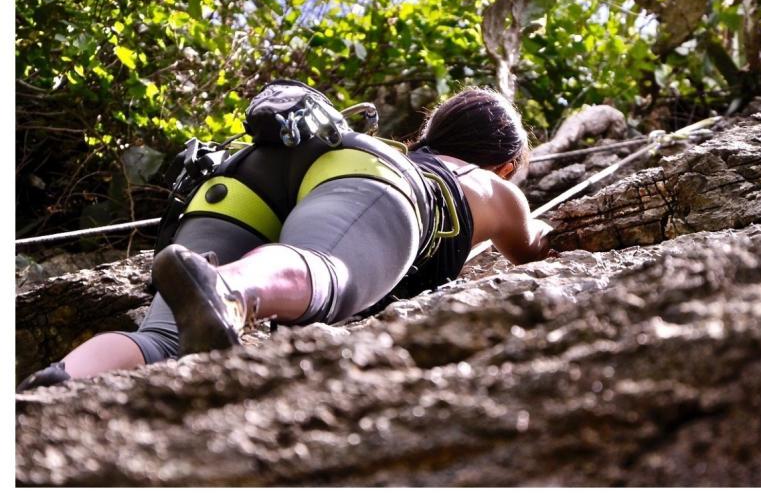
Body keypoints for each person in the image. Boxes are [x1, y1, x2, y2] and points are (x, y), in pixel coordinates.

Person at [16, 83, 553, 392]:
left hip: (243, 175)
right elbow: (532, 247)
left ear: (433, 134)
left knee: (165, 339)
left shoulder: (404, 152)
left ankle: (58, 381)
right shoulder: (489, 186)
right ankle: (229, 289)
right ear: (506, 165)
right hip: (365, 180)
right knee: (323, 263)